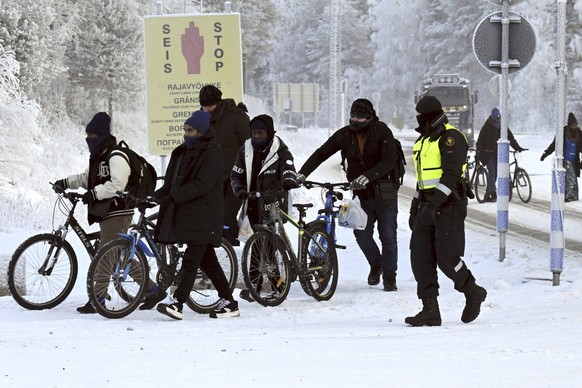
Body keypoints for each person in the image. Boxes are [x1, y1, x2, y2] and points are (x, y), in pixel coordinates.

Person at [53, 112, 159, 313]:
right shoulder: (98, 156)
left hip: (119, 209)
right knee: (117, 255)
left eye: (92, 136)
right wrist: (66, 183)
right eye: (87, 136)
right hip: (107, 211)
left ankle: (98, 299)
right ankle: (153, 288)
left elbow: (117, 184)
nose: (89, 140)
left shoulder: (116, 155)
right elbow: (87, 178)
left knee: (105, 254)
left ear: (101, 136)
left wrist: (93, 194)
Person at [297, 98, 400, 291]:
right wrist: (303, 173)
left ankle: (390, 277)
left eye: (360, 117)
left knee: (388, 236)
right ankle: (376, 264)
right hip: (362, 195)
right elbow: (322, 153)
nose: (355, 120)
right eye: (353, 116)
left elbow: (389, 160)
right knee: (361, 234)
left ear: (369, 117)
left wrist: (367, 177)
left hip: (385, 193)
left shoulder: (382, 131)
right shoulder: (345, 134)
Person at [406, 96, 487, 327]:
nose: (418, 119)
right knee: (420, 257)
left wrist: (433, 204)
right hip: (426, 206)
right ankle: (430, 310)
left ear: (429, 116)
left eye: (420, 116)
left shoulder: (451, 137)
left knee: (447, 258)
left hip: (449, 205)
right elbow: (423, 180)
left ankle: (472, 291)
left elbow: (451, 175)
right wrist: (416, 207)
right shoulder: (424, 140)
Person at [154, 110, 239, 320]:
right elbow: (172, 182)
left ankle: (178, 302)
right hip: (191, 216)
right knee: (208, 262)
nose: (186, 134)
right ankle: (230, 302)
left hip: (207, 216)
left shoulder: (212, 153)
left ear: (201, 132)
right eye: (184, 130)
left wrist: (173, 197)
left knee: (191, 260)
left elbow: (201, 185)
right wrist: (157, 196)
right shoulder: (181, 152)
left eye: (190, 130)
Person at [230, 114, 299, 301]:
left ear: (269, 133)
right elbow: (236, 174)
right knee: (256, 241)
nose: (257, 137)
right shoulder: (245, 149)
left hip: (273, 201)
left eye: (260, 133)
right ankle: (258, 284)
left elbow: (288, 167)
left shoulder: (280, 150)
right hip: (252, 201)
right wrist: (239, 190)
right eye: (254, 133)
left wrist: (289, 178)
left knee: (268, 243)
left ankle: (270, 284)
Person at [199, 85, 250, 246]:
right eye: (203, 107)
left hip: (236, 177)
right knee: (212, 217)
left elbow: (249, 146)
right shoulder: (201, 119)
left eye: (210, 107)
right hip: (213, 179)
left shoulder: (237, 117)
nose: (206, 110)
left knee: (227, 215)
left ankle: (231, 250)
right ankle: (220, 250)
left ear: (218, 103)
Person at [475, 108, 526, 202]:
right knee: (492, 173)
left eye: (499, 118)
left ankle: (490, 192)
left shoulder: (503, 127)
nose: (498, 120)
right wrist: (479, 152)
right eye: (497, 118)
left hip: (501, 155)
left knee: (499, 174)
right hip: (489, 154)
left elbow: (511, 138)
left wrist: (518, 148)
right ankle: (493, 193)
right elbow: (480, 141)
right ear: (493, 118)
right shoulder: (486, 127)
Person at [540, 112, 582, 202]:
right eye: (572, 124)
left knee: (573, 178)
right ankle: (568, 196)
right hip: (565, 159)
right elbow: (554, 145)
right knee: (570, 178)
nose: (574, 126)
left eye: (575, 124)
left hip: (575, 161)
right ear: (569, 124)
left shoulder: (580, 134)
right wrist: (545, 154)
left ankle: (573, 196)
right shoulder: (562, 133)